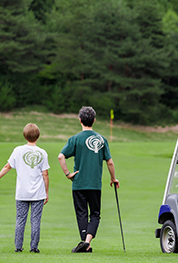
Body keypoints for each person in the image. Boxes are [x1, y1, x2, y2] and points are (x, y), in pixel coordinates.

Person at [58, 106, 119, 253]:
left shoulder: (75, 139)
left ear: (80, 120)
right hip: (94, 185)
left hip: (78, 183)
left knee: (81, 214)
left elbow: (61, 156)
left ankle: (85, 243)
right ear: (94, 120)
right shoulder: (102, 139)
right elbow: (109, 162)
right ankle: (87, 243)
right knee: (95, 214)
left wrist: (68, 174)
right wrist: (113, 178)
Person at [0, 123, 50, 253]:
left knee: (20, 220)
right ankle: (34, 247)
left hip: (22, 193)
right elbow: (45, 174)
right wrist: (46, 192)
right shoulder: (42, 153)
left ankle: (18, 247)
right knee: (35, 221)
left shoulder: (18, 150)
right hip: (38, 193)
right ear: (38, 136)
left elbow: (7, 166)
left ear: (24, 136)